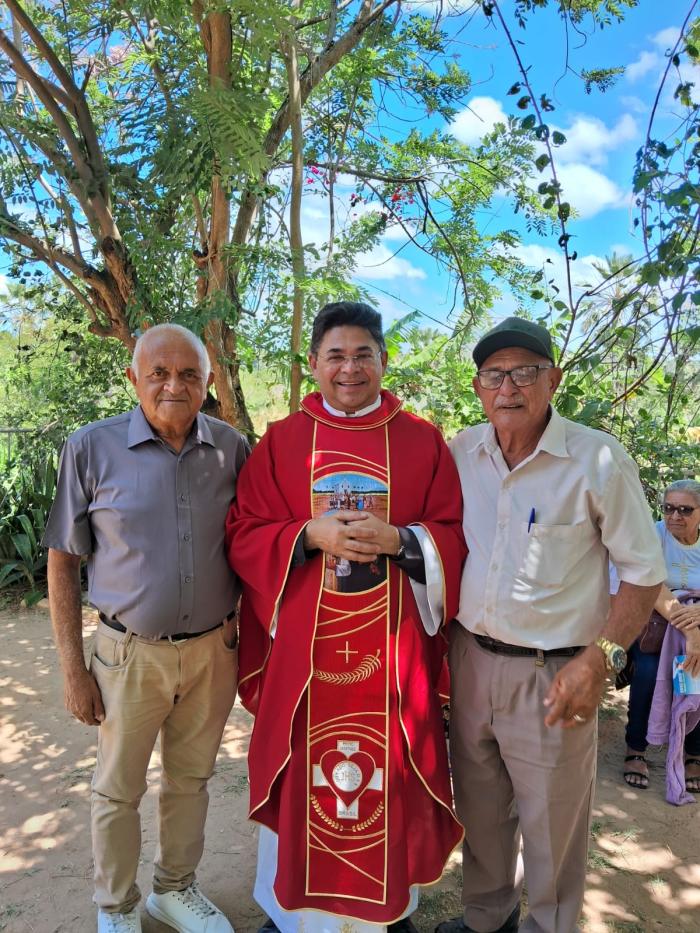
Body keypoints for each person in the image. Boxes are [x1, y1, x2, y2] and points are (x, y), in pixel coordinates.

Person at [226, 301, 466, 933]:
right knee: (307, 773)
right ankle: (292, 913)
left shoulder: (421, 441)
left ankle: (386, 910)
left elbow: (455, 534)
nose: (350, 368)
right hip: (307, 656)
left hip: (392, 655)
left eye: (364, 355)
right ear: (313, 363)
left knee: (387, 772)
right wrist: (307, 534)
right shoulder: (282, 441)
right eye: (336, 355)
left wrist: (403, 541)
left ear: (384, 361)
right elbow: (245, 531)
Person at [441, 316, 666, 933]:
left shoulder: (596, 458)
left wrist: (602, 656)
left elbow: (644, 573)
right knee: (481, 812)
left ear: (553, 380)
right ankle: (487, 919)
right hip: (470, 660)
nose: (508, 386)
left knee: (553, 829)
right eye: (494, 374)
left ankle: (551, 926)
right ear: (479, 386)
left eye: (525, 372)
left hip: (557, 672)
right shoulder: (460, 452)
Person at [43, 324, 249, 933]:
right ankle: (118, 906)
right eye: (158, 373)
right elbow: (62, 557)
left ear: (208, 382)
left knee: (191, 781)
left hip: (214, 650)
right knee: (118, 789)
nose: (173, 386)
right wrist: (73, 669)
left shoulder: (231, 448)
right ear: (134, 379)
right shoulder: (91, 447)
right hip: (127, 655)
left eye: (189, 374)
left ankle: (174, 890)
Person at [622, 479, 700, 793]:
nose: (675, 516)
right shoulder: (654, 535)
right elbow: (651, 583)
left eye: (685, 509)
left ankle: (693, 753)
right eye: (668, 508)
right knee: (649, 672)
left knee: (697, 674)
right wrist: (690, 628)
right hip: (656, 623)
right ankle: (635, 748)